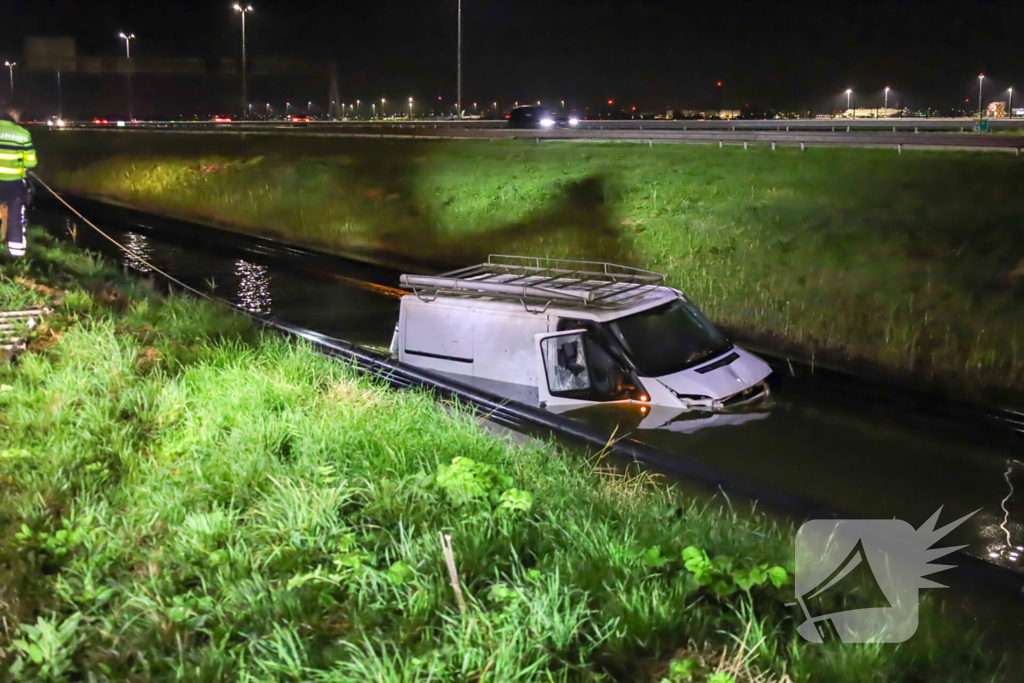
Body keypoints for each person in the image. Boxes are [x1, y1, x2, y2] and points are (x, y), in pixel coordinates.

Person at [0, 103, 37, 258]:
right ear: (14, 114)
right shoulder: (22, 133)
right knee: (15, 217)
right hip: (14, 183)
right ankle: (16, 256)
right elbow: (31, 162)